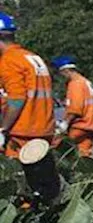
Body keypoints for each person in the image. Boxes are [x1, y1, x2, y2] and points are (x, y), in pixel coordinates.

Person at [0, 13, 55, 160]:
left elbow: (17, 99)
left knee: (19, 178)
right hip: (44, 129)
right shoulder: (31, 57)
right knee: (44, 178)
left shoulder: (9, 61)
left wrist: (3, 129)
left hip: (23, 133)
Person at [52, 56, 93, 157]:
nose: (61, 76)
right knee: (84, 154)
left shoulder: (75, 84)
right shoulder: (85, 82)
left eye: (61, 73)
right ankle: (86, 171)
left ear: (65, 70)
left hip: (80, 126)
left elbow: (75, 109)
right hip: (91, 125)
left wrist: (64, 124)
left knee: (57, 146)